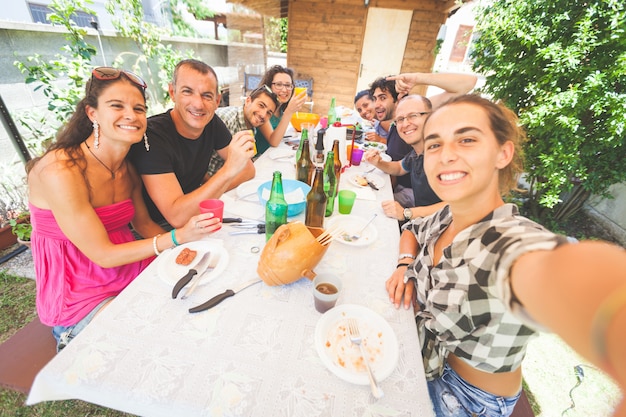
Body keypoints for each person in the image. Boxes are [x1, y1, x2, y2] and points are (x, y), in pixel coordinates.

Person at [386, 94, 626, 416]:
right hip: (423, 359)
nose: (446, 155)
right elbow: (411, 230)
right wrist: (404, 264)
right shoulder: (447, 216)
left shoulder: (509, 244)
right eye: (434, 145)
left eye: (467, 139)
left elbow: (553, 271)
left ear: (502, 153)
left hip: (468, 399)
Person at [26, 67, 218, 351]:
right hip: (80, 293)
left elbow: (142, 225)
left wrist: (185, 253)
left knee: (200, 292)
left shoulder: (127, 167)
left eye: (139, 109)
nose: (131, 115)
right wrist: (177, 238)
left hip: (128, 269)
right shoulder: (60, 170)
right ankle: (69, 337)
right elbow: (102, 254)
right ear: (92, 113)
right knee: (155, 340)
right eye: (117, 106)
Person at [129, 59, 256, 229]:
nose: (198, 104)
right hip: (157, 228)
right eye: (187, 92)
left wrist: (204, 195)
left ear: (217, 101)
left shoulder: (210, 122)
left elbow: (247, 169)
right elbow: (177, 216)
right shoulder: (153, 136)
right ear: (173, 92)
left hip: (194, 216)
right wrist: (226, 173)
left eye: (207, 96)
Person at [364, 72, 477, 222]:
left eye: (413, 116)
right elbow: (399, 167)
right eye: (401, 119)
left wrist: (407, 213)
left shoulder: (443, 155)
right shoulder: (416, 153)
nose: (405, 123)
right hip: (422, 224)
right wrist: (378, 162)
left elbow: (457, 204)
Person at [207, 84, 281, 171]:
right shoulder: (224, 119)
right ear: (248, 101)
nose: (263, 114)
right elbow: (198, 162)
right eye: (261, 105)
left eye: (269, 113)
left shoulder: (251, 127)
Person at [253, 65, 307, 155]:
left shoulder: (280, 109)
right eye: (278, 84)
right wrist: (289, 111)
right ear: (269, 86)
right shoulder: (264, 110)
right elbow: (273, 142)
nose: (284, 90)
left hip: (272, 155)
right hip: (259, 160)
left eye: (288, 85)